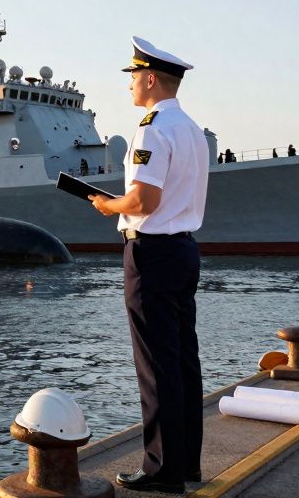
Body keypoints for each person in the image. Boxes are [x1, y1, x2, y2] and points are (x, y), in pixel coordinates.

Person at [89, 36, 209, 494]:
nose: (130, 85)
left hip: (152, 253)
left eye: (134, 76)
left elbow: (143, 200)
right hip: (184, 250)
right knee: (183, 360)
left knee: (156, 365)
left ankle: (161, 471)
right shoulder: (192, 129)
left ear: (151, 79)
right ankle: (187, 463)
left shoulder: (152, 128)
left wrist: (108, 205)